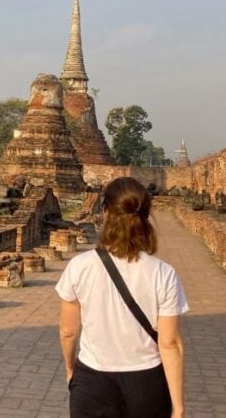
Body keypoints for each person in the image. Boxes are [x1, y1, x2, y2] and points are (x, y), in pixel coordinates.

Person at [55, 177, 188, 417]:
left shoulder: (80, 266)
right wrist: (178, 407)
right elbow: (169, 343)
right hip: (146, 381)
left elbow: (68, 331)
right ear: (146, 216)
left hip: (93, 379)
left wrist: (70, 367)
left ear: (105, 212)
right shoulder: (163, 273)